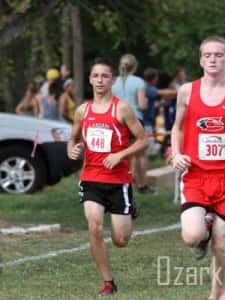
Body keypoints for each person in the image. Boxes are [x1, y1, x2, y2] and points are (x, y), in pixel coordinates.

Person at [170, 36, 225, 300]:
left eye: (218, 55)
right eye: (207, 55)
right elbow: (176, 128)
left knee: (221, 244)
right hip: (196, 175)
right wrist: (175, 154)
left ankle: (215, 296)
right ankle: (203, 230)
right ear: (200, 60)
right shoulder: (186, 91)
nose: (213, 59)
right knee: (191, 236)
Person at [67, 57, 148, 296]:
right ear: (90, 79)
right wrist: (71, 149)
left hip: (118, 181)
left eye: (105, 76)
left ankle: (130, 210)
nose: (100, 80)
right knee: (94, 227)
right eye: (96, 76)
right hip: (91, 177)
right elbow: (73, 139)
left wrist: (120, 154)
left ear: (112, 80)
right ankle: (108, 282)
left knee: (121, 240)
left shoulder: (121, 108)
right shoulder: (83, 110)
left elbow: (142, 141)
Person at [112, 54, 150, 193]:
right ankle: (142, 185)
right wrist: (145, 102)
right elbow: (141, 105)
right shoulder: (139, 82)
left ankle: (121, 183)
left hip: (118, 119)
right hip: (135, 119)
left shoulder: (113, 81)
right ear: (135, 66)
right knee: (139, 154)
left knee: (123, 153)